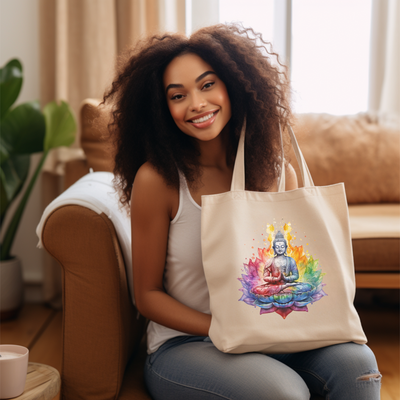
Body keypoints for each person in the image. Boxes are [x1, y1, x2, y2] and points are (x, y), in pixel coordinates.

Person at [103, 24, 381, 400]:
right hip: (190, 344)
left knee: (358, 366)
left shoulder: (278, 170)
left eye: (207, 85)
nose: (197, 104)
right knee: (283, 393)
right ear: (161, 108)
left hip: (279, 333)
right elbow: (148, 295)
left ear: (234, 85)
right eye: (177, 95)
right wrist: (226, 325)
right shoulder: (158, 180)